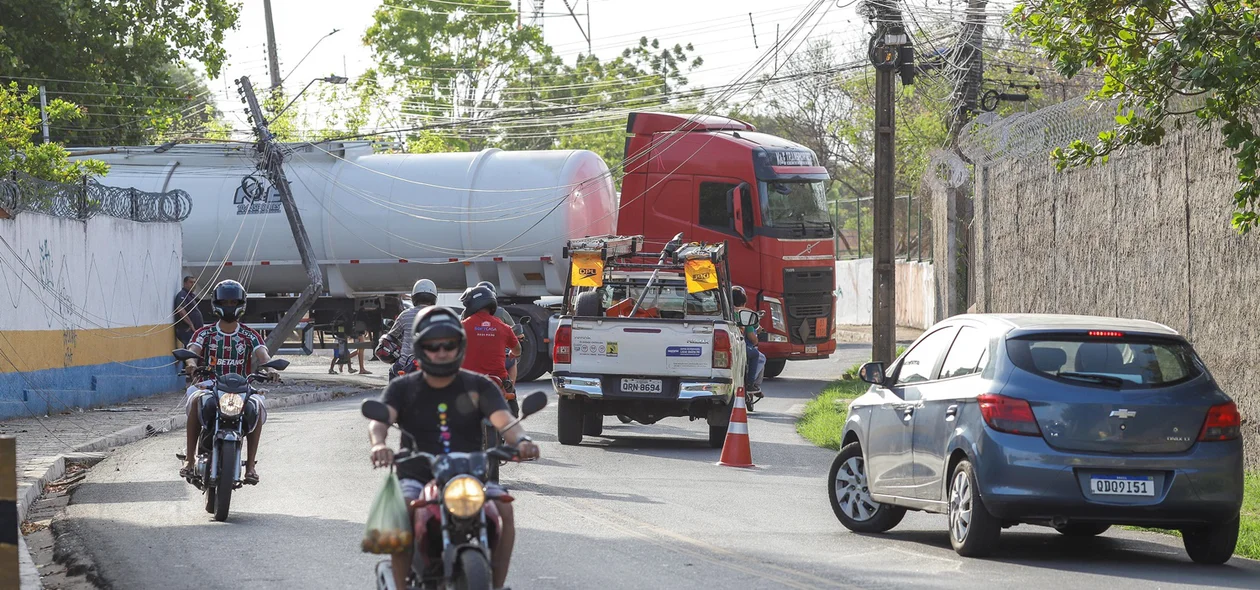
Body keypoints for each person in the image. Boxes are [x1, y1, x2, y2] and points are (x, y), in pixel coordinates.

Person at [367, 306, 539, 590]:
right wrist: (379, 444)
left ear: (460, 346)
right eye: (433, 346)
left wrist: (521, 441)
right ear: (422, 347)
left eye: (450, 344)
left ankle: (495, 584)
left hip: (468, 478)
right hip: (417, 475)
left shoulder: (479, 385)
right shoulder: (403, 387)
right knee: (403, 512)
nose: (442, 351)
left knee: (504, 509)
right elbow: (380, 421)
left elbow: (504, 420)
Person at [179, 280, 276, 485]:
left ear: (241, 304)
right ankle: (188, 459)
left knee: (257, 405)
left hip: (242, 388)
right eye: (225, 302)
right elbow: (192, 353)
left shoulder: (250, 335)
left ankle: (250, 466)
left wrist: (271, 369)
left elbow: (264, 356)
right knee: (196, 400)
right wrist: (190, 364)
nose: (230, 306)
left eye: (234, 302)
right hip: (208, 385)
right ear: (216, 304)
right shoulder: (204, 333)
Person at [459, 285, 521, 398]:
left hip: (468, 381)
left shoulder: (462, 326)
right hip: (498, 381)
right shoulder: (504, 327)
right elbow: (518, 350)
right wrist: (513, 353)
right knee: (511, 404)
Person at [381, 279, 439, 378]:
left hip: (406, 363)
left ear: (414, 297)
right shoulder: (439, 315)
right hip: (433, 363)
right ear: (434, 297)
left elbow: (391, 336)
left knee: (392, 372)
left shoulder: (405, 315)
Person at [473, 281, 522, 388]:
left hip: (474, 361)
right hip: (499, 362)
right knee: (512, 361)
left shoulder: (466, 321)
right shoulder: (503, 322)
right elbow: (516, 347)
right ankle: (510, 389)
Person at [731, 286, 765, 399]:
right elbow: (752, 337)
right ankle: (751, 384)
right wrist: (756, 340)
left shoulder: (726, 311)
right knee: (756, 354)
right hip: (739, 345)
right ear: (744, 302)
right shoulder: (745, 314)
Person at [173, 275, 203, 349]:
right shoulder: (182, 294)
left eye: (194, 282)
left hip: (193, 331)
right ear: (185, 283)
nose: (193, 284)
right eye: (191, 282)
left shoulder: (191, 295)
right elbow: (181, 310)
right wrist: (191, 325)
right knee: (190, 349)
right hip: (187, 330)